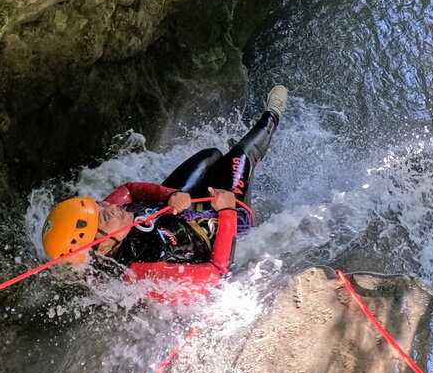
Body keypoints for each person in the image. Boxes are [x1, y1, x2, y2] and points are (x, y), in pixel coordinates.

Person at [42, 85, 287, 295]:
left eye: (102, 204)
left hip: (176, 208)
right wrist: (226, 212)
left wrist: (166, 195)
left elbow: (129, 189)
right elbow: (217, 272)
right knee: (239, 156)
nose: (113, 206)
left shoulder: (103, 228)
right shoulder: (140, 271)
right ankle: (272, 114)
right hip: (222, 227)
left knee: (211, 156)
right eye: (105, 214)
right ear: (104, 246)